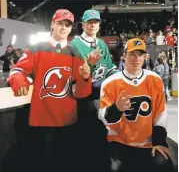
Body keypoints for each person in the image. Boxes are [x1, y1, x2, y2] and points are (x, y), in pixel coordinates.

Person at [7, 9, 91, 172]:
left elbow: (81, 93)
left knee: (63, 164)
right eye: (60, 23)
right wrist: (19, 81)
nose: (63, 28)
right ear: (52, 24)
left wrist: (85, 78)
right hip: (40, 121)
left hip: (67, 122)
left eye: (67, 25)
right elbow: (17, 71)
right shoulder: (36, 48)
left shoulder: (76, 54)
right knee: (39, 164)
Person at [98, 38, 173, 172]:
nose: (136, 58)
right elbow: (103, 117)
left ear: (145, 57)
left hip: (148, 142)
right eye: (132, 54)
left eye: (140, 54)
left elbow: (160, 113)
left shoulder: (155, 80)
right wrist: (116, 108)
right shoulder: (110, 83)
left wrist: (159, 141)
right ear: (124, 56)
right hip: (120, 142)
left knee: (164, 164)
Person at [70, 9, 118, 172]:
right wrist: (88, 63)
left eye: (95, 22)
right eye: (89, 22)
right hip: (85, 96)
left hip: (102, 92)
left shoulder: (102, 44)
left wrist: (120, 78)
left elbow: (110, 67)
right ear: (83, 24)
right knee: (90, 134)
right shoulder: (74, 45)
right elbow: (73, 74)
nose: (92, 25)